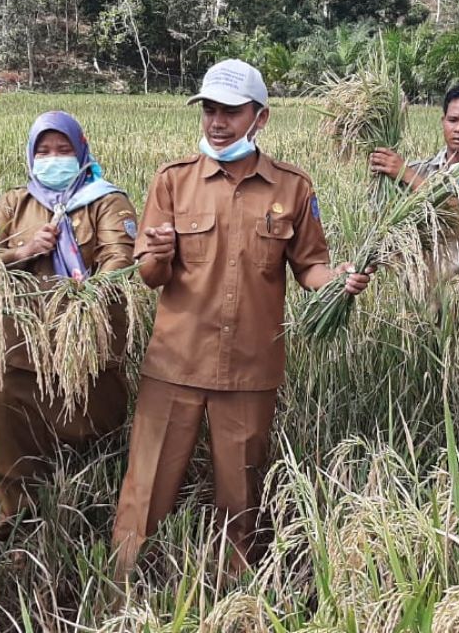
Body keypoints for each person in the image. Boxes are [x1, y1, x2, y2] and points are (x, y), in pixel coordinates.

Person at [111, 59, 372, 581]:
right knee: (145, 493)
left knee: (241, 495)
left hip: (250, 370)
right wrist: (157, 253)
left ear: (261, 117)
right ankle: (123, 589)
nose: (217, 121)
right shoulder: (173, 181)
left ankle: (235, 593)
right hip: (175, 363)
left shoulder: (293, 188)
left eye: (231, 111)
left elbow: (309, 267)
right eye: (209, 109)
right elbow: (149, 275)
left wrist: (337, 279)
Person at [0, 110, 136, 522]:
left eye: (63, 149)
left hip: (88, 346)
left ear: (81, 150)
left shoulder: (107, 200)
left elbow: (119, 259)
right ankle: (17, 521)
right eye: (44, 150)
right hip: (22, 348)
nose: (53, 158)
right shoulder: (13, 204)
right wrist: (24, 251)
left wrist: (86, 303)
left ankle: (91, 517)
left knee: (94, 430)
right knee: (14, 435)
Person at [369, 82, 459, 284]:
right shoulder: (420, 169)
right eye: (452, 120)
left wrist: (405, 174)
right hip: (414, 295)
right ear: (443, 121)